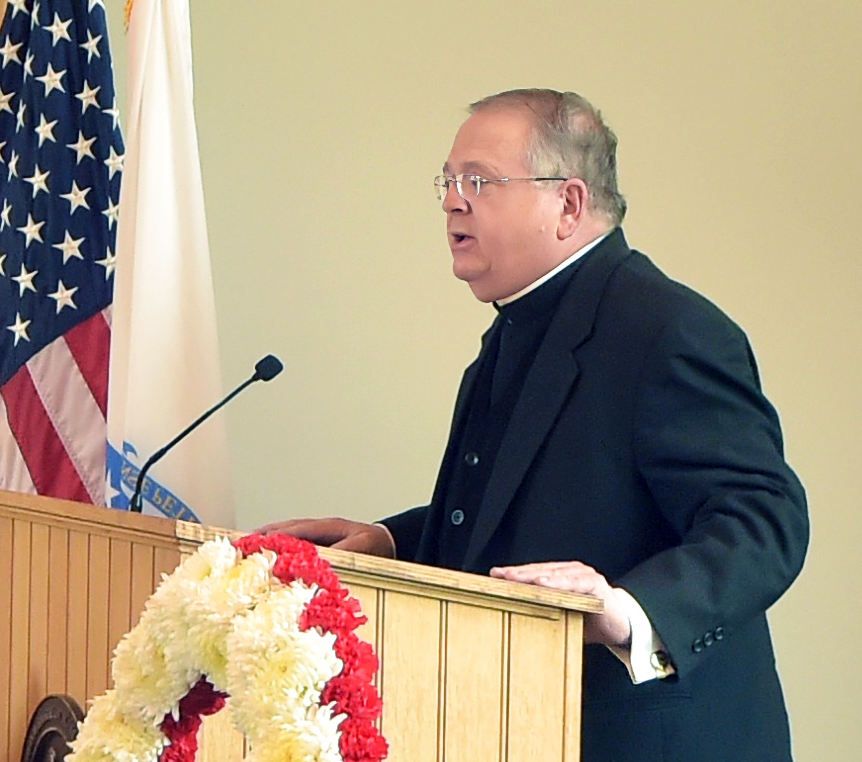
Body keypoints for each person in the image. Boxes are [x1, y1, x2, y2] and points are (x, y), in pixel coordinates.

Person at [259, 89, 809, 762]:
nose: (452, 200)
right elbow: (534, 506)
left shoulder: (667, 329)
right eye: (449, 181)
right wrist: (392, 543)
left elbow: (763, 520)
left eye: (479, 181)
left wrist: (628, 609)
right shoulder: (518, 325)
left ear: (569, 204)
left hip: (649, 739)